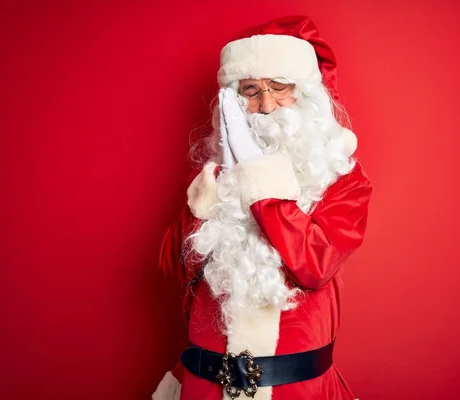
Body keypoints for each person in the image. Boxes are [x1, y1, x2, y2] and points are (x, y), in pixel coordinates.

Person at [153, 15, 372, 400]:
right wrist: (214, 185)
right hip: (205, 386)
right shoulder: (212, 175)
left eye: (279, 87)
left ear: (306, 95)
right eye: (251, 90)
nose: (266, 105)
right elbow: (174, 265)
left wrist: (257, 175)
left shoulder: (341, 178)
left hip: (296, 389)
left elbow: (314, 264)